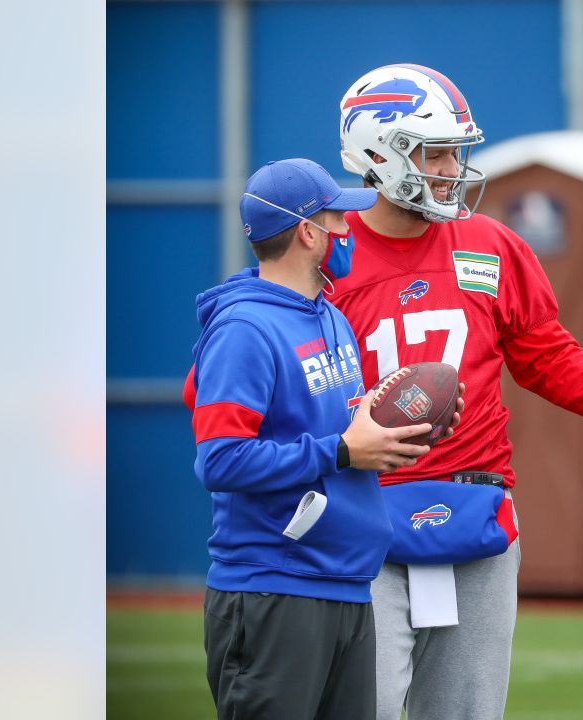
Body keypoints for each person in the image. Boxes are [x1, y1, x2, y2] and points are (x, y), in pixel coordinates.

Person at [331, 63, 583, 720]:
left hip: (475, 507)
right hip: (362, 512)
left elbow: (544, 354)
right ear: (375, 153)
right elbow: (281, 370)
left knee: (467, 713)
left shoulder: (490, 244)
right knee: (368, 707)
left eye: (455, 150)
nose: (450, 167)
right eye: (432, 151)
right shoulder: (326, 251)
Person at [186, 158, 459, 719]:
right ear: (308, 232)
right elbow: (220, 460)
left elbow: (344, 432)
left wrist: (400, 435)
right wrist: (339, 451)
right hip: (274, 587)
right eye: (337, 219)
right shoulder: (246, 329)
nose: (347, 231)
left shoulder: (329, 314)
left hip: (346, 583)